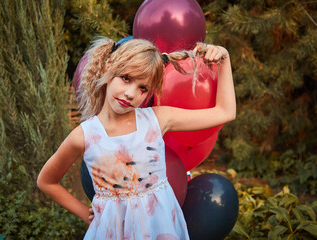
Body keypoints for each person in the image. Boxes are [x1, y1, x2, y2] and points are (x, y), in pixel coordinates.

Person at [37, 37, 235, 240]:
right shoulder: (84, 135)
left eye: (143, 88)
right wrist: (85, 214)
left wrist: (224, 59)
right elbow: (46, 181)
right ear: (108, 68)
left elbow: (225, 112)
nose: (131, 93)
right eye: (126, 78)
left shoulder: (157, 119)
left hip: (160, 229)